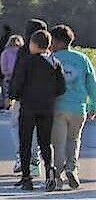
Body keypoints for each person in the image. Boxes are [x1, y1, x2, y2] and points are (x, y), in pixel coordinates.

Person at [10, 30, 65, 192]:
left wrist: (14, 95)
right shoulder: (54, 63)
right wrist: (50, 94)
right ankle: (49, 171)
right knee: (45, 142)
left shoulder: (27, 62)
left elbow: (17, 84)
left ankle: (27, 178)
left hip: (28, 107)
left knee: (25, 142)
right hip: (47, 107)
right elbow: (61, 87)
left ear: (33, 45)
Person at [50, 25, 96, 190]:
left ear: (55, 41)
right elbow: (92, 83)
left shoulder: (52, 58)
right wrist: (93, 105)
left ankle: (57, 176)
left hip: (58, 107)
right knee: (74, 140)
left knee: (58, 143)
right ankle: (72, 169)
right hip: (78, 107)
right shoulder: (82, 59)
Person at [9, 19, 47, 177]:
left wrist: (12, 94)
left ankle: (21, 157)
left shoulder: (24, 51)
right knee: (38, 129)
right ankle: (35, 160)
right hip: (44, 97)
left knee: (16, 125)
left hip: (24, 96)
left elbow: (18, 75)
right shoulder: (48, 51)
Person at [0, 35, 24, 111]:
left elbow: (3, 65)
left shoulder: (5, 52)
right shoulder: (22, 53)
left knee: (7, 93)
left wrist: (5, 72)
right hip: (19, 75)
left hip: (8, 75)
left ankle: (7, 106)